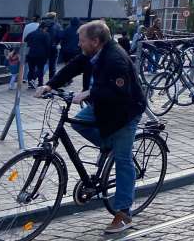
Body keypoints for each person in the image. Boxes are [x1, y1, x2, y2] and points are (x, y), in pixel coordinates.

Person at [38, 20, 145, 234]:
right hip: (104, 106)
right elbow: (75, 65)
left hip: (125, 111)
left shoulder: (116, 59)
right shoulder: (95, 53)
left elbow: (119, 93)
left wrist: (88, 93)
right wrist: (51, 84)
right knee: (79, 124)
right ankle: (109, 145)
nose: (79, 44)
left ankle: (124, 214)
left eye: (82, 40)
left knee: (123, 160)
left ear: (95, 41)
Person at [24, 22, 52, 89]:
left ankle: (30, 83)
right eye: (46, 28)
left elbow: (25, 40)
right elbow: (48, 46)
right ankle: (40, 84)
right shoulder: (46, 34)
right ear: (44, 28)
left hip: (31, 55)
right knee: (40, 69)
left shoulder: (31, 33)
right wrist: (48, 55)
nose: (47, 29)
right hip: (41, 55)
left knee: (31, 70)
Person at [44, 12, 63, 84]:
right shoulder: (58, 26)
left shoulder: (43, 25)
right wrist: (57, 43)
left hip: (44, 47)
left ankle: (37, 79)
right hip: (54, 47)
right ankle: (51, 82)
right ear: (54, 17)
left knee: (42, 64)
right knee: (53, 66)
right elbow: (61, 36)